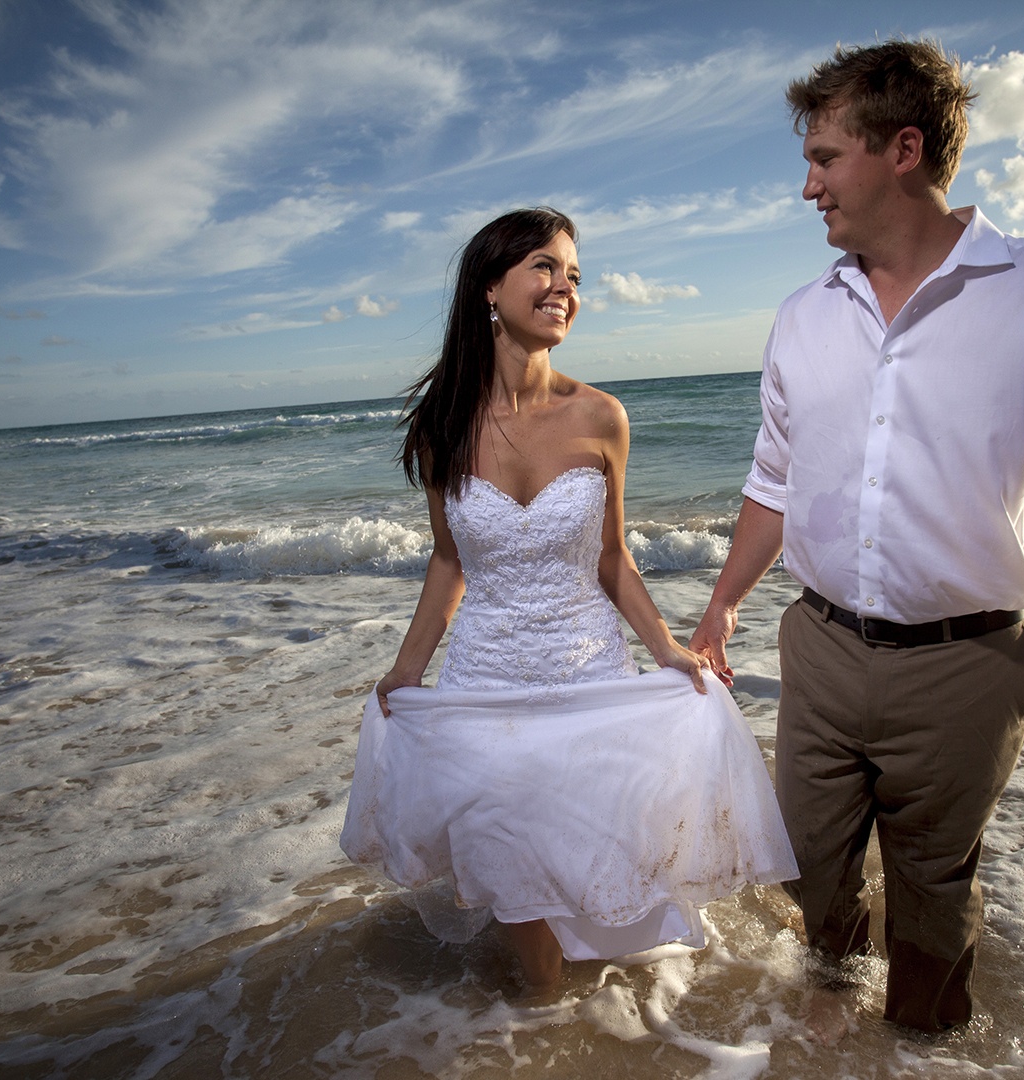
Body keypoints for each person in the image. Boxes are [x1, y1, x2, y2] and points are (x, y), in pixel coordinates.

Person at [688, 41, 1024, 1035]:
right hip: (820, 650)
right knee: (809, 864)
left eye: (826, 158)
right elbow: (773, 485)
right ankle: (832, 1017)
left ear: (903, 149)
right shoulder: (801, 319)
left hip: (968, 667)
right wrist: (722, 602)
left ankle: (920, 1045)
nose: (808, 186)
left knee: (935, 889)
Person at [339, 207, 797, 996]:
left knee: (593, 842)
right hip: (486, 673)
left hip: (587, 666)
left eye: (575, 276)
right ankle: (544, 1008)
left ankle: (596, 997)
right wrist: (406, 669)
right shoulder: (442, 426)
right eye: (545, 269)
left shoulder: (602, 417)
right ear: (491, 287)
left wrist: (668, 652)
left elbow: (612, 559)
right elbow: (449, 564)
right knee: (503, 848)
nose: (565, 290)